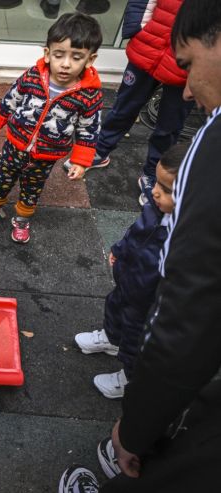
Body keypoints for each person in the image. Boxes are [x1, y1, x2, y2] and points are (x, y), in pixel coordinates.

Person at [59, 1, 221, 493]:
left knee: (140, 336)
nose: (189, 89)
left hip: (156, 328)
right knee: (121, 315)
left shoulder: (213, 145)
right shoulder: (157, 209)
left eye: (190, 64)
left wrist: (137, 427)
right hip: (130, 288)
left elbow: (187, 310)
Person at [0, 13, 103, 244]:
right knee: (3, 175)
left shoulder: (89, 95)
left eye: (76, 57)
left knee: (32, 187)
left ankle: (22, 219)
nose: (65, 63)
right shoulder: (33, 76)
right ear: (47, 53)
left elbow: (88, 129)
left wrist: (81, 160)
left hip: (46, 154)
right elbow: (12, 98)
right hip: (16, 143)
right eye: (59, 54)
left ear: (90, 60)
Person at [74, 142, 187, 399]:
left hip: (149, 299)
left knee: (138, 340)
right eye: (157, 184)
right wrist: (120, 248)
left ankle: (129, 378)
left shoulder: (186, 233)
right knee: (114, 307)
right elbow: (135, 232)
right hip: (128, 279)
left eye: (168, 190)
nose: (156, 193)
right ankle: (112, 339)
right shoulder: (155, 209)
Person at [62, 0, 194, 207]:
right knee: (123, 107)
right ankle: (100, 149)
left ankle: (154, 174)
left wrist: (202, 68)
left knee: (169, 126)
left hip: (186, 66)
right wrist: (137, 31)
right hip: (147, 49)